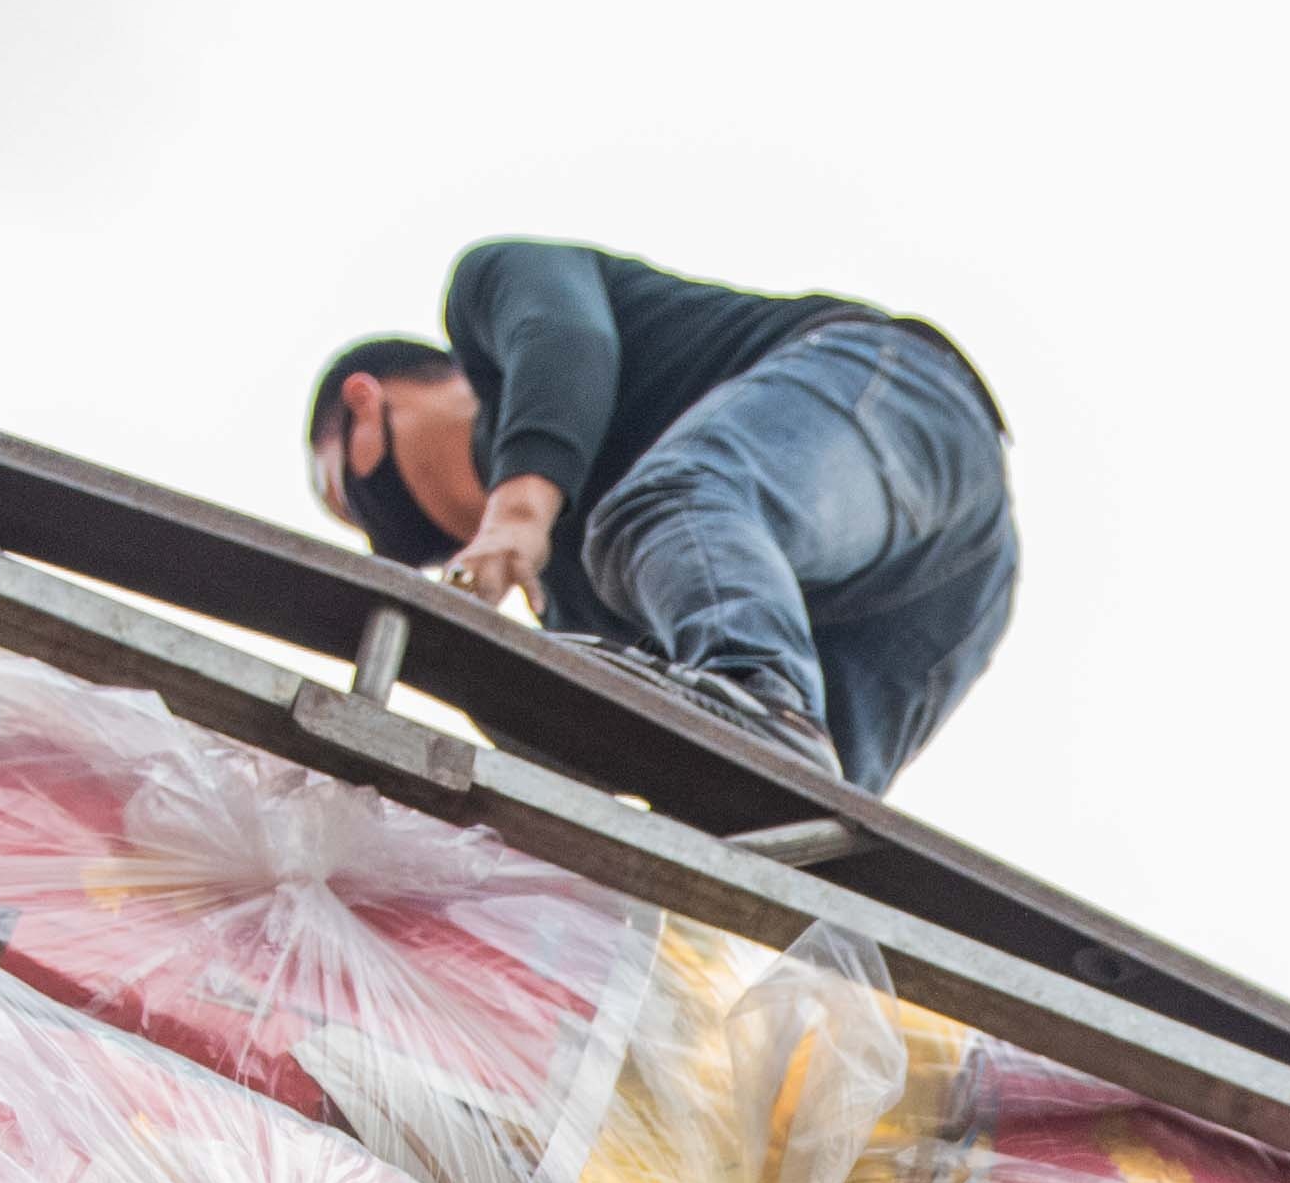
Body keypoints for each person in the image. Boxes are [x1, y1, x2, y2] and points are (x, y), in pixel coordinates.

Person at [308, 243, 1017, 797]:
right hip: (938, 592)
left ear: (367, 398)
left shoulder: (492, 288)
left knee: (667, 508)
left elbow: (566, 337)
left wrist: (519, 512)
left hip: (893, 401)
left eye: (349, 489)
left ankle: (761, 701)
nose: (378, 524)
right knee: (784, 808)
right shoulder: (580, 596)